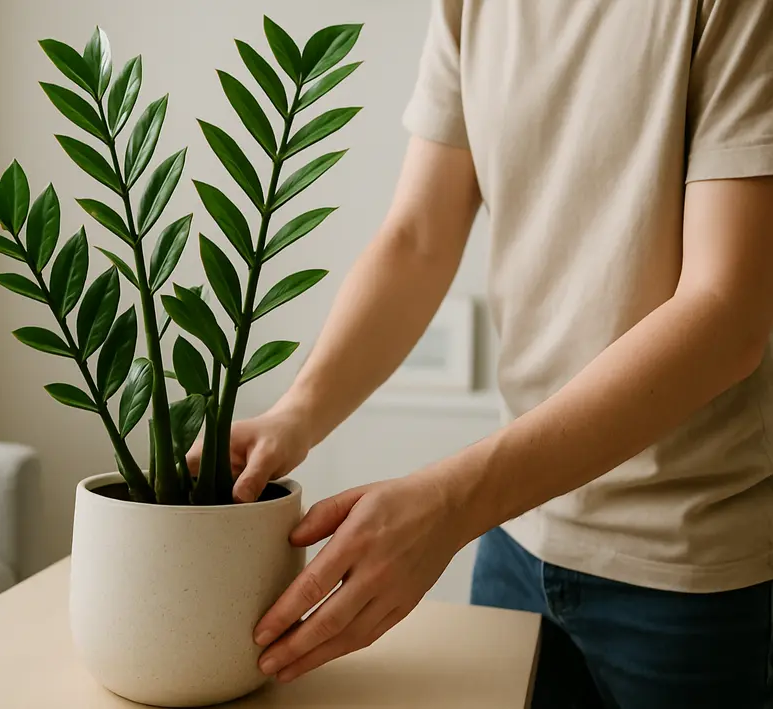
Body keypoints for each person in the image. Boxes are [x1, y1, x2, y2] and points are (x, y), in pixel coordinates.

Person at [188, 1, 773, 707]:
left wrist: (450, 503)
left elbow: (725, 314)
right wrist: (298, 411)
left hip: (690, 572)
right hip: (513, 536)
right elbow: (417, 238)